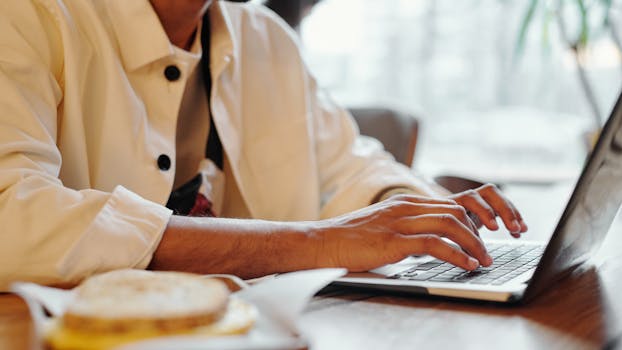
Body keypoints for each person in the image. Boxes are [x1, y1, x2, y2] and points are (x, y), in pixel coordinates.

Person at [0, 0, 527, 290]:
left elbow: (350, 168)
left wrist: (414, 214)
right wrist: (315, 241)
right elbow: (12, 218)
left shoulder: (264, 37)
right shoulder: (27, 15)